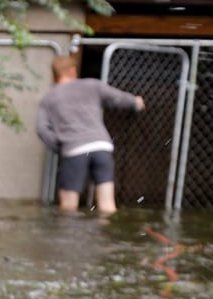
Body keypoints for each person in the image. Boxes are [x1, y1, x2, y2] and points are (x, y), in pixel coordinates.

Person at [36, 53, 144, 216]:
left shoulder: (49, 98)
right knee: (107, 206)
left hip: (74, 150)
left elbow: (42, 129)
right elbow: (119, 98)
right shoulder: (92, 85)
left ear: (54, 75)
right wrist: (135, 102)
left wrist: (60, 146)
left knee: (68, 207)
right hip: (102, 146)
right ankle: (104, 237)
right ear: (73, 71)